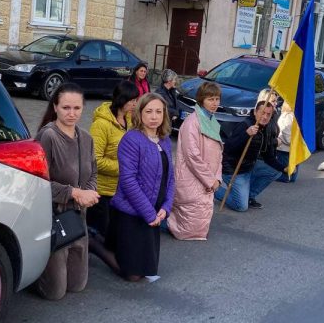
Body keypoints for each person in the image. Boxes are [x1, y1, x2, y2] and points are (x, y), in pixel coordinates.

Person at [34, 83, 99, 300]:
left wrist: (89, 193)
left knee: (78, 285)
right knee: (55, 292)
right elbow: (38, 183)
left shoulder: (86, 138)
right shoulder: (48, 136)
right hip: (54, 216)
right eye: (66, 108)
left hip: (79, 215)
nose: (72, 113)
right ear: (55, 107)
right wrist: (74, 193)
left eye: (77, 108)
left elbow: (93, 172)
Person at [110, 93, 174, 281]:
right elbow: (128, 180)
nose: (154, 117)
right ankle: (97, 247)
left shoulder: (165, 139)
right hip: (133, 210)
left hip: (155, 210)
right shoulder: (131, 139)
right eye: (149, 111)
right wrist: (149, 213)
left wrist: (166, 207)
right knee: (132, 275)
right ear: (140, 113)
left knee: (145, 269)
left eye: (158, 112)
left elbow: (170, 177)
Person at [168, 82, 223, 240]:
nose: (214, 103)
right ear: (201, 100)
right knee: (187, 224)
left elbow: (219, 153)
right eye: (210, 99)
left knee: (197, 220)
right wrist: (210, 179)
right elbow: (192, 156)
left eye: (217, 99)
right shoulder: (192, 122)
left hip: (206, 178)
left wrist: (217, 177)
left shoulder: (211, 120)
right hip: (192, 177)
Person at [87, 80, 139, 243]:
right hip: (103, 190)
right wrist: (124, 168)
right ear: (122, 100)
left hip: (121, 187)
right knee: (102, 234)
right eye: (132, 101)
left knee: (116, 231)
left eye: (136, 100)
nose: (135, 104)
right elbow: (95, 159)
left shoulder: (129, 119)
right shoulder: (101, 124)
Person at [214, 100, 281, 212]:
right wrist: (246, 134)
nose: (265, 117)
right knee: (241, 206)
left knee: (275, 171)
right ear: (255, 112)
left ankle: (248, 196)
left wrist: (284, 168)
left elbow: (268, 156)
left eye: (268, 114)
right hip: (234, 169)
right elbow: (229, 147)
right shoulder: (245, 125)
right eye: (262, 113)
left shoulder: (266, 128)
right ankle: (213, 189)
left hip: (249, 167)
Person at [274, 101, 299, 182]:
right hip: (285, 150)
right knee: (286, 176)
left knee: (292, 176)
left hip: (292, 149)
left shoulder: (292, 116)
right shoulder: (287, 117)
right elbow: (286, 136)